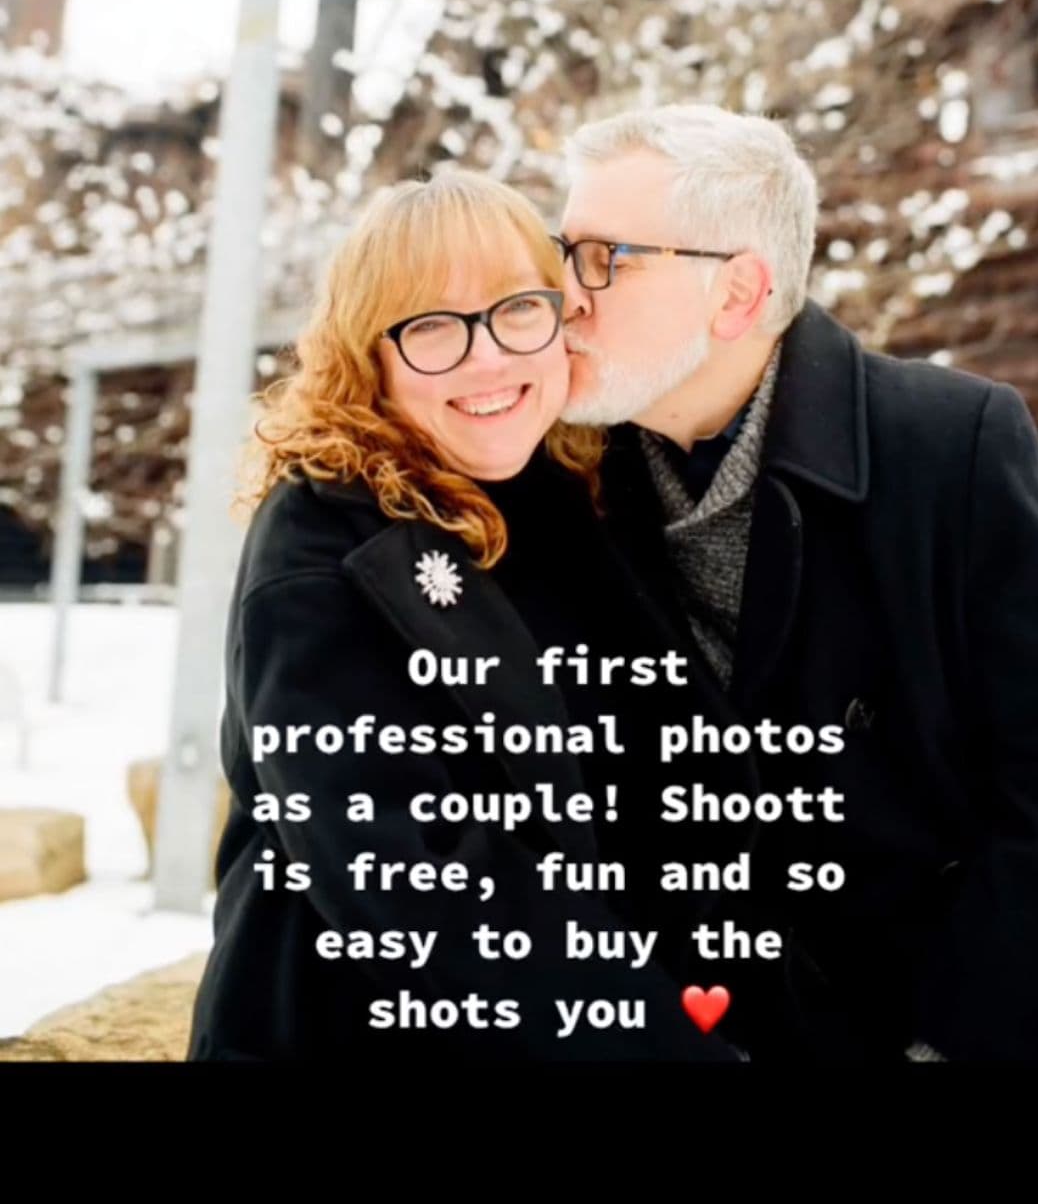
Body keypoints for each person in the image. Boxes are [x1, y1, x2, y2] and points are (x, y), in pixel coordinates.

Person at [186, 168, 757, 1064]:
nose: (485, 358)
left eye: (517, 310)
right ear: (367, 356)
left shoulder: (571, 491)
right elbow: (414, 884)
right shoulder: (322, 551)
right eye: (431, 329)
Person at [554, 100, 1038, 1067]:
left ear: (739, 294)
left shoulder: (951, 447)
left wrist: (957, 1040)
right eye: (562, 253)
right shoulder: (566, 486)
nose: (565, 296)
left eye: (605, 259)